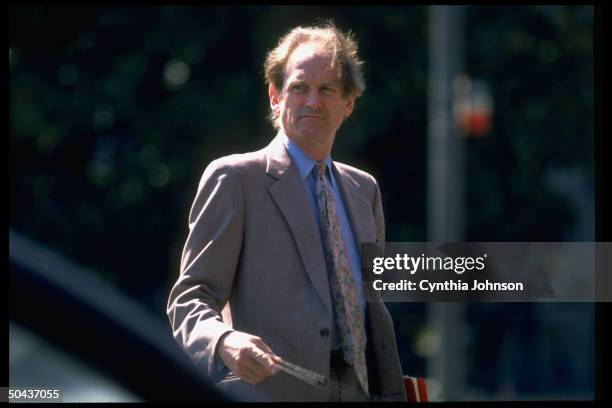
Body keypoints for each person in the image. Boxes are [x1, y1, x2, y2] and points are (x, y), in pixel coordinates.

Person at [166, 22, 407, 402]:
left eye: (327, 89)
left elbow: (370, 309)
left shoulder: (365, 190)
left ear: (348, 103)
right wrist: (224, 341)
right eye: (299, 87)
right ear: (275, 97)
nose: (313, 101)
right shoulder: (235, 178)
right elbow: (190, 297)